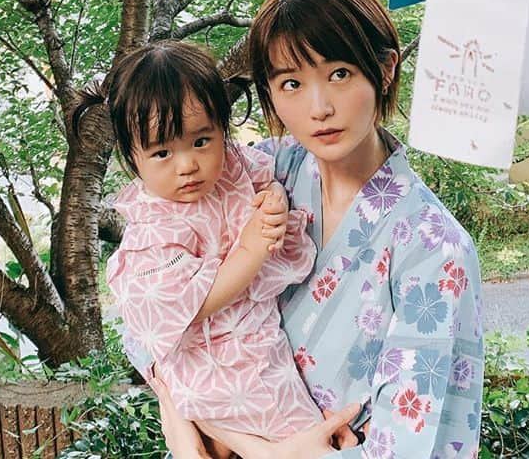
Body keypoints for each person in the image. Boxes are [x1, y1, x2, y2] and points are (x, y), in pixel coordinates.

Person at [148, 0, 485, 459]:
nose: (319, 106)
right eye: (290, 83)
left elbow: (417, 449)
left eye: (339, 74)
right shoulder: (260, 174)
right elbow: (148, 303)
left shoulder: (433, 249)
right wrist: (180, 419)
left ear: (385, 69)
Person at [103, 40, 353, 457]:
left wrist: (272, 201)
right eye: (162, 152)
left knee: (296, 425)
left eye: (201, 142)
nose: (187, 165)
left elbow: (263, 182)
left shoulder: (236, 168)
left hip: (259, 344)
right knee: (288, 429)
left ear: (223, 130)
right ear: (133, 157)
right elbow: (192, 301)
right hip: (211, 359)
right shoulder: (155, 224)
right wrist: (251, 248)